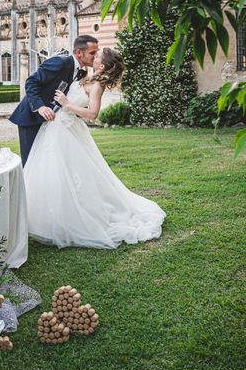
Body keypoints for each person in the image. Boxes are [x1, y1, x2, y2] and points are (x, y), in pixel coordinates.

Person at [24, 48, 165, 249]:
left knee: (71, 176)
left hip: (67, 130)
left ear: (103, 65)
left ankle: (71, 220)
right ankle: (48, 218)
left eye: (97, 56)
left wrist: (66, 103)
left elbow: (92, 113)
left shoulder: (97, 85)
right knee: (53, 174)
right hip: (57, 127)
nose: (94, 57)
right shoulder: (87, 78)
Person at [9, 34, 99, 166]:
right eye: (93, 53)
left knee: (48, 163)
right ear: (79, 53)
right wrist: (40, 107)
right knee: (31, 164)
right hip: (31, 119)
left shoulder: (82, 72)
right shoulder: (60, 62)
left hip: (53, 122)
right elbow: (31, 82)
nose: (95, 56)